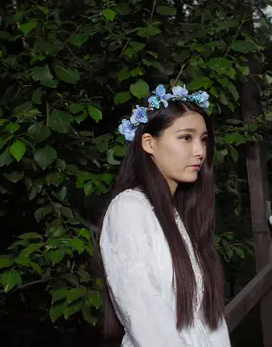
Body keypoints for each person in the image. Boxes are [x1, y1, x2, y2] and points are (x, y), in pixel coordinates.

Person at [98, 84, 231, 347]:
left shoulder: (181, 217)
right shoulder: (129, 209)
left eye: (203, 139)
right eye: (186, 138)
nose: (200, 151)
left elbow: (209, 322)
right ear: (149, 143)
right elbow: (145, 314)